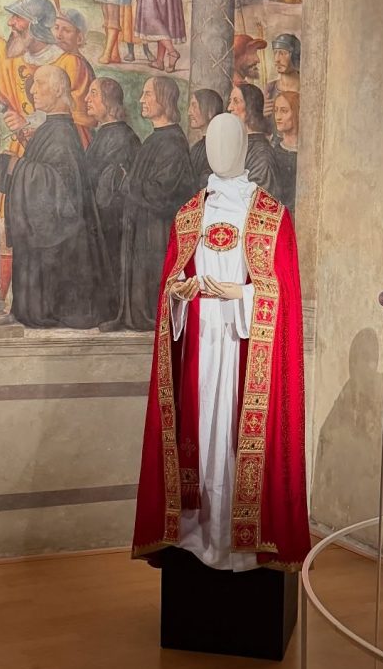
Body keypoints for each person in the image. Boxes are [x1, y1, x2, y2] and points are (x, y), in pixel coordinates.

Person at [132, 113, 310, 570]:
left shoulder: (271, 215)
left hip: (243, 344)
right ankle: (198, 534)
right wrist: (177, 294)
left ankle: (239, 542)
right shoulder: (190, 214)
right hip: (199, 343)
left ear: (245, 148)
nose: (219, 151)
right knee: (201, 432)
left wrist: (241, 294)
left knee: (233, 437)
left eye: (228, 142)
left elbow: (283, 294)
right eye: (212, 142)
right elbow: (173, 280)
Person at [5, 65, 115, 328]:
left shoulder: (61, 132)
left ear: (57, 90)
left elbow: (59, 188)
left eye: (39, 83)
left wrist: (15, 167)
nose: (32, 90)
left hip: (61, 247)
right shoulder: (54, 127)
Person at [106, 75, 195, 331]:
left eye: (147, 94)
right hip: (143, 225)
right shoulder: (155, 138)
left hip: (157, 229)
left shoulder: (172, 143)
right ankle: (133, 314)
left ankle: (148, 315)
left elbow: (162, 192)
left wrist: (127, 182)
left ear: (164, 99)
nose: (141, 99)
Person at [0, 0, 94, 153]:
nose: (10, 22)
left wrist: (28, 124)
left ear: (36, 25)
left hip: (61, 150)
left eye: (18, 17)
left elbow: (77, 117)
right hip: (23, 151)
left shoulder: (70, 63)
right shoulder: (14, 60)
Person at [85, 77, 141, 280]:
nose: (86, 99)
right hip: (100, 226)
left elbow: (110, 188)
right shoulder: (105, 133)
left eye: (93, 93)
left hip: (112, 229)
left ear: (108, 101)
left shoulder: (121, 137)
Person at [228, 83, 282, 198]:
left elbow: (260, 200)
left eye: (236, 101)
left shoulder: (262, 154)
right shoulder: (240, 144)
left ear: (250, 107)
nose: (229, 108)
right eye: (230, 101)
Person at [187, 89, 224, 191]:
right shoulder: (197, 147)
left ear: (210, 110)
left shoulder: (217, 147)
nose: (189, 112)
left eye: (194, 106)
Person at [271, 91, 300, 213]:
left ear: (297, 113)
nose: (278, 117)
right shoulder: (273, 152)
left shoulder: (306, 153)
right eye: (276, 110)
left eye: (284, 111)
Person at [265, 33, 301, 115]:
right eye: (275, 53)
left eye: (282, 53)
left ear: (295, 56)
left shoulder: (305, 87)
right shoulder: (270, 88)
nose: (277, 59)